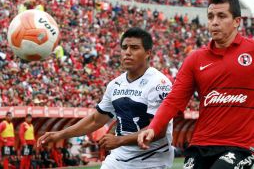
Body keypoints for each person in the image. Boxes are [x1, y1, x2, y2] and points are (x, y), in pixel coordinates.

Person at [138, 0, 254, 169]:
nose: (214, 22)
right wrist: (153, 127)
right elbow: (174, 99)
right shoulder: (195, 59)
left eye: (221, 16)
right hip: (201, 144)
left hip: (240, 146)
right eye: (210, 16)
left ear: (237, 21)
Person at [37, 27, 174, 169]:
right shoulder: (115, 85)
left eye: (134, 48)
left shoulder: (159, 83)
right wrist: (60, 134)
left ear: (148, 53)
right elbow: (95, 120)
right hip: (118, 159)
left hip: (151, 160)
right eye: (124, 47)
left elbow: (158, 130)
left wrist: (119, 140)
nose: (127, 52)